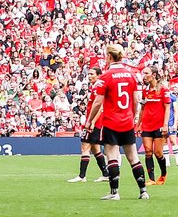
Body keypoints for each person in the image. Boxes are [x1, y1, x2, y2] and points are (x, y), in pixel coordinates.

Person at [85, 44, 150, 201]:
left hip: (111, 122)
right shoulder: (131, 75)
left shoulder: (105, 77)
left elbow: (98, 102)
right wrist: (133, 116)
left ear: (109, 57)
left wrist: (89, 121)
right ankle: (143, 191)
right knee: (133, 157)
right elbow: (136, 101)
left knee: (112, 157)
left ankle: (114, 193)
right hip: (127, 122)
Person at [68, 68, 109, 183]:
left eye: (92, 74)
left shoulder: (98, 87)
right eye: (89, 74)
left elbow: (100, 107)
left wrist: (92, 122)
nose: (89, 76)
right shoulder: (96, 87)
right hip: (95, 122)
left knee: (85, 147)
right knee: (96, 149)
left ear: (99, 75)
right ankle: (106, 174)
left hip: (94, 123)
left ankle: (82, 176)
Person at [138, 66, 170, 186]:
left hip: (159, 125)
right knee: (147, 151)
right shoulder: (144, 90)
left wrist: (165, 125)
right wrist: (137, 124)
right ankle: (151, 179)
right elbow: (142, 108)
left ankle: (163, 174)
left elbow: (167, 108)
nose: (144, 75)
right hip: (146, 125)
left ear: (154, 74)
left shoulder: (163, 89)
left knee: (158, 153)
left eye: (146, 73)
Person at [164, 82, 178, 170]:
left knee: (173, 141)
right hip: (162, 123)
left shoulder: (172, 97)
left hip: (171, 122)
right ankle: (167, 161)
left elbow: (175, 111)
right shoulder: (160, 97)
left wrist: (175, 123)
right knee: (164, 141)